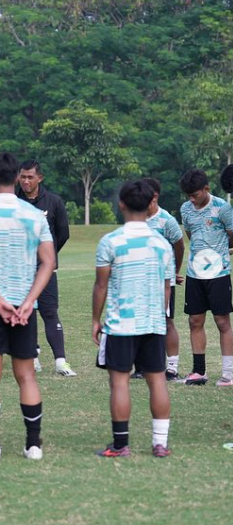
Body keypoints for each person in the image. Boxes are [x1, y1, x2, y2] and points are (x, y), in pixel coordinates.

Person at [0, 152, 55, 461]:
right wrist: (29, 301)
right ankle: (33, 445)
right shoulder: (33, 215)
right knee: (26, 375)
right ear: (18, 177)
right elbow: (49, 262)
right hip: (24, 307)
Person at [92, 181, 173, 458]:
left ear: (122, 204)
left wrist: (95, 320)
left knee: (120, 382)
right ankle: (160, 444)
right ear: (151, 204)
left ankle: (120, 444)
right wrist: (159, 317)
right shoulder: (162, 244)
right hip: (153, 323)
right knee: (158, 380)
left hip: (120, 325)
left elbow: (101, 285)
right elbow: (166, 286)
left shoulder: (110, 241)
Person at [17, 160, 76, 377]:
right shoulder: (13, 202)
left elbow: (63, 233)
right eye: (22, 176)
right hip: (21, 270)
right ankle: (32, 357)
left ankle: (61, 362)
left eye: (30, 177)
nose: (25, 181)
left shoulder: (53, 202)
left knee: (49, 312)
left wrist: (47, 256)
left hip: (46, 269)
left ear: (40, 178)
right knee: (26, 312)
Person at [178, 168, 233, 386]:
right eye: (188, 196)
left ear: (206, 189)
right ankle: (198, 372)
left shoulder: (223, 208)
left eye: (195, 195)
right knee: (195, 321)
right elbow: (191, 236)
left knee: (222, 322)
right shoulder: (185, 209)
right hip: (194, 273)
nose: (192, 199)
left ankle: (228, 374)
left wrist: (218, 253)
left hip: (218, 274)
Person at [141, 177, 185, 381]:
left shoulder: (166, 220)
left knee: (166, 322)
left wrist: (174, 269)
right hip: (141, 279)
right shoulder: (137, 218)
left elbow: (179, 245)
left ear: (155, 196)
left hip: (163, 281)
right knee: (141, 321)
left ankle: (172, 367)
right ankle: (142, 366)